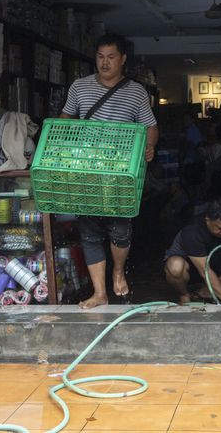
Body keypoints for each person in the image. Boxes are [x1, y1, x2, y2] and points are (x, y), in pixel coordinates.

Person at [60, 33, 159, 309]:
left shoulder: (137, 92)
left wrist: (149, 146)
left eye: (111, 57)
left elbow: (150, 125)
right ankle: (99, 293)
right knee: (89, 231)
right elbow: (65, 120)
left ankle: (118, 270)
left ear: (123, 59)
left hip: (120, 172)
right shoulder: (79, 87)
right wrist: (60, 145)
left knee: (120, 230)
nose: (105, 63)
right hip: (86, 169)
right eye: (100, 57)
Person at [164, 197, 221, 304]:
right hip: (192, 268)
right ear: (207, 220)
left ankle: (207, 289)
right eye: (219, 228)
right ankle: (184, 294)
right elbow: (205, 271)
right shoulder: (192, 231)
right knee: (175, 267)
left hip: (215, 261)